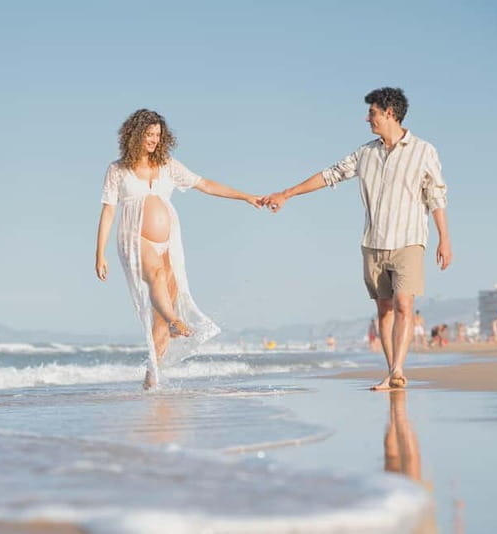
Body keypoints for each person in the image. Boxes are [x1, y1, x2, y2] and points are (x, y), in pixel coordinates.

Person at [261, 87, 452, 390]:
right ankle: (393, 371)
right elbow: (330, 175)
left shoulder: (424, 150)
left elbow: (436, 196)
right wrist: (287, 194)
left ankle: (398, 369)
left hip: (410, 239)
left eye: (372, 113)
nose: (368, 119)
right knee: (384, 309)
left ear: (390, 113)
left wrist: (444, 238)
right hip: (373, 242)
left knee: (404, 304)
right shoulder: (365, 153)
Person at [96, 109, 262, 389]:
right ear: (135, 135)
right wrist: (99, 253)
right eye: (149, 134)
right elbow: (109, 211)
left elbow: (205, 185)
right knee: (158, 278)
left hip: (168, 244)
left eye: (158, 135)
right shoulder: (118, 169)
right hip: (135, 239)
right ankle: (176, 320)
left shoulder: (168, 165)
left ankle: (152, 378)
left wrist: (246, 197)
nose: (153, 140)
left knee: (162, 311)